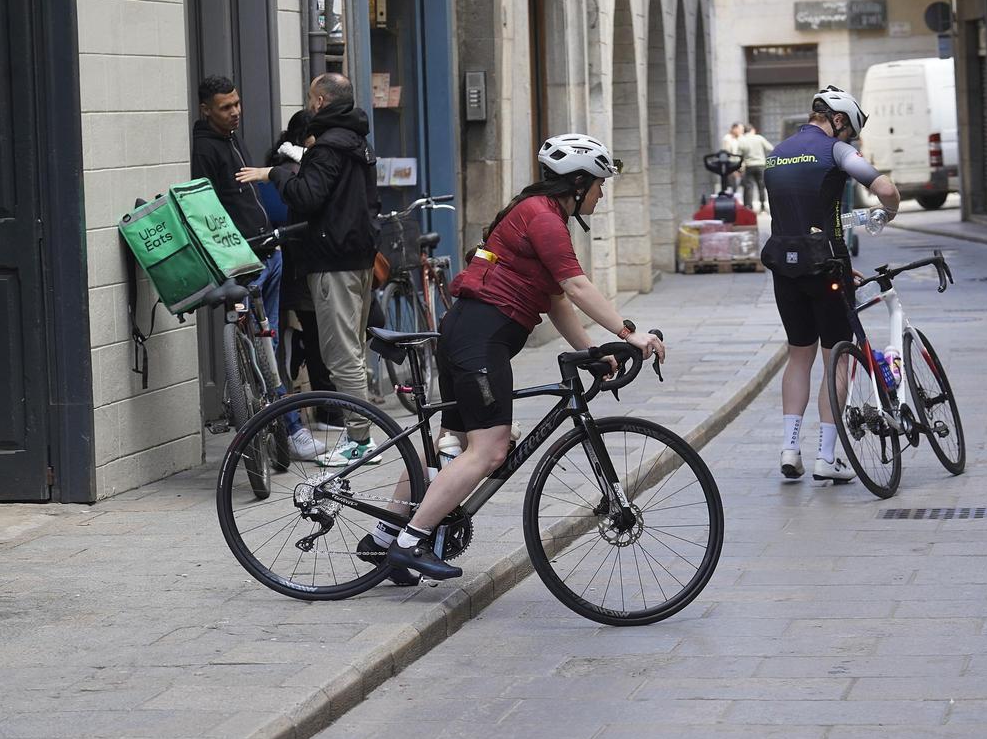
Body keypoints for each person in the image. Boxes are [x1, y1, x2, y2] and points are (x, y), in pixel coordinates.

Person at [375, 133, 666, 581]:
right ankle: (410, 542)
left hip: (468, 333)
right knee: (489, 450)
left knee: (450, 443)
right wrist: (630, 334)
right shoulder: (543, 218)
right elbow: (577, 286)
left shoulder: (539, 213)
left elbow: (555, 300)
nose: (602, 193)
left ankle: (382, 537)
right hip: (480, 341)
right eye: (599, 184)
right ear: (578, 183)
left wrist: (591, 351)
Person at [236, 72, 381, 468]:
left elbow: (308, 194)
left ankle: (359, 440)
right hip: (357, 256)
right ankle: (361, 433)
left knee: (340, 354)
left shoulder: (328, 145)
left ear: (318, 102)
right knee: (351, 348)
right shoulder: (356, 140)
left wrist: (275, 174)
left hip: (333, 260)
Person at [763, 85, 900, 483]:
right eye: (849, 131)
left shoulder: (776, 152)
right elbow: (885, 189)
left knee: (798, 356)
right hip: (827, 271)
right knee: (838, 357)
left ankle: (790, 448)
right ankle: (826, 455)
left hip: (785, 271)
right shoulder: (835, 151)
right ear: (839, 121)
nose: (848, 139)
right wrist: (887, 214)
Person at [192, 76, 320, 460]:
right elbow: (207, 209)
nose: (235, 112)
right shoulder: (206, 148)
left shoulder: (231, 137)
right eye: (225, 107)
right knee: (264, 348)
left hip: (269, 250)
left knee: (271, 345)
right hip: (245, 259)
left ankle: (280, 428)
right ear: (206, 110)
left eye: (237, 103)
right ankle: (293, 430)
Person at [736, 123, 774, 212]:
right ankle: (762, 206)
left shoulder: (742, 140)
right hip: (761, 165)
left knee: (749, 186)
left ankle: (748, 206)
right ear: (752, 130)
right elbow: (770, 148)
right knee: (761, 186)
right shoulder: (759, 138)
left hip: (749, 165)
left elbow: (738, 155)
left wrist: (739, 168)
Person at [720, 122, 744, 194]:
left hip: (741, 165)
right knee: (732, 185)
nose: (741, 131)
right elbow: (727, 153)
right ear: (734, 129)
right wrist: (733, 169)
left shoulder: (741, 138)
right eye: (740, 129)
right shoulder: (727, 138)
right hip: (731, 165)